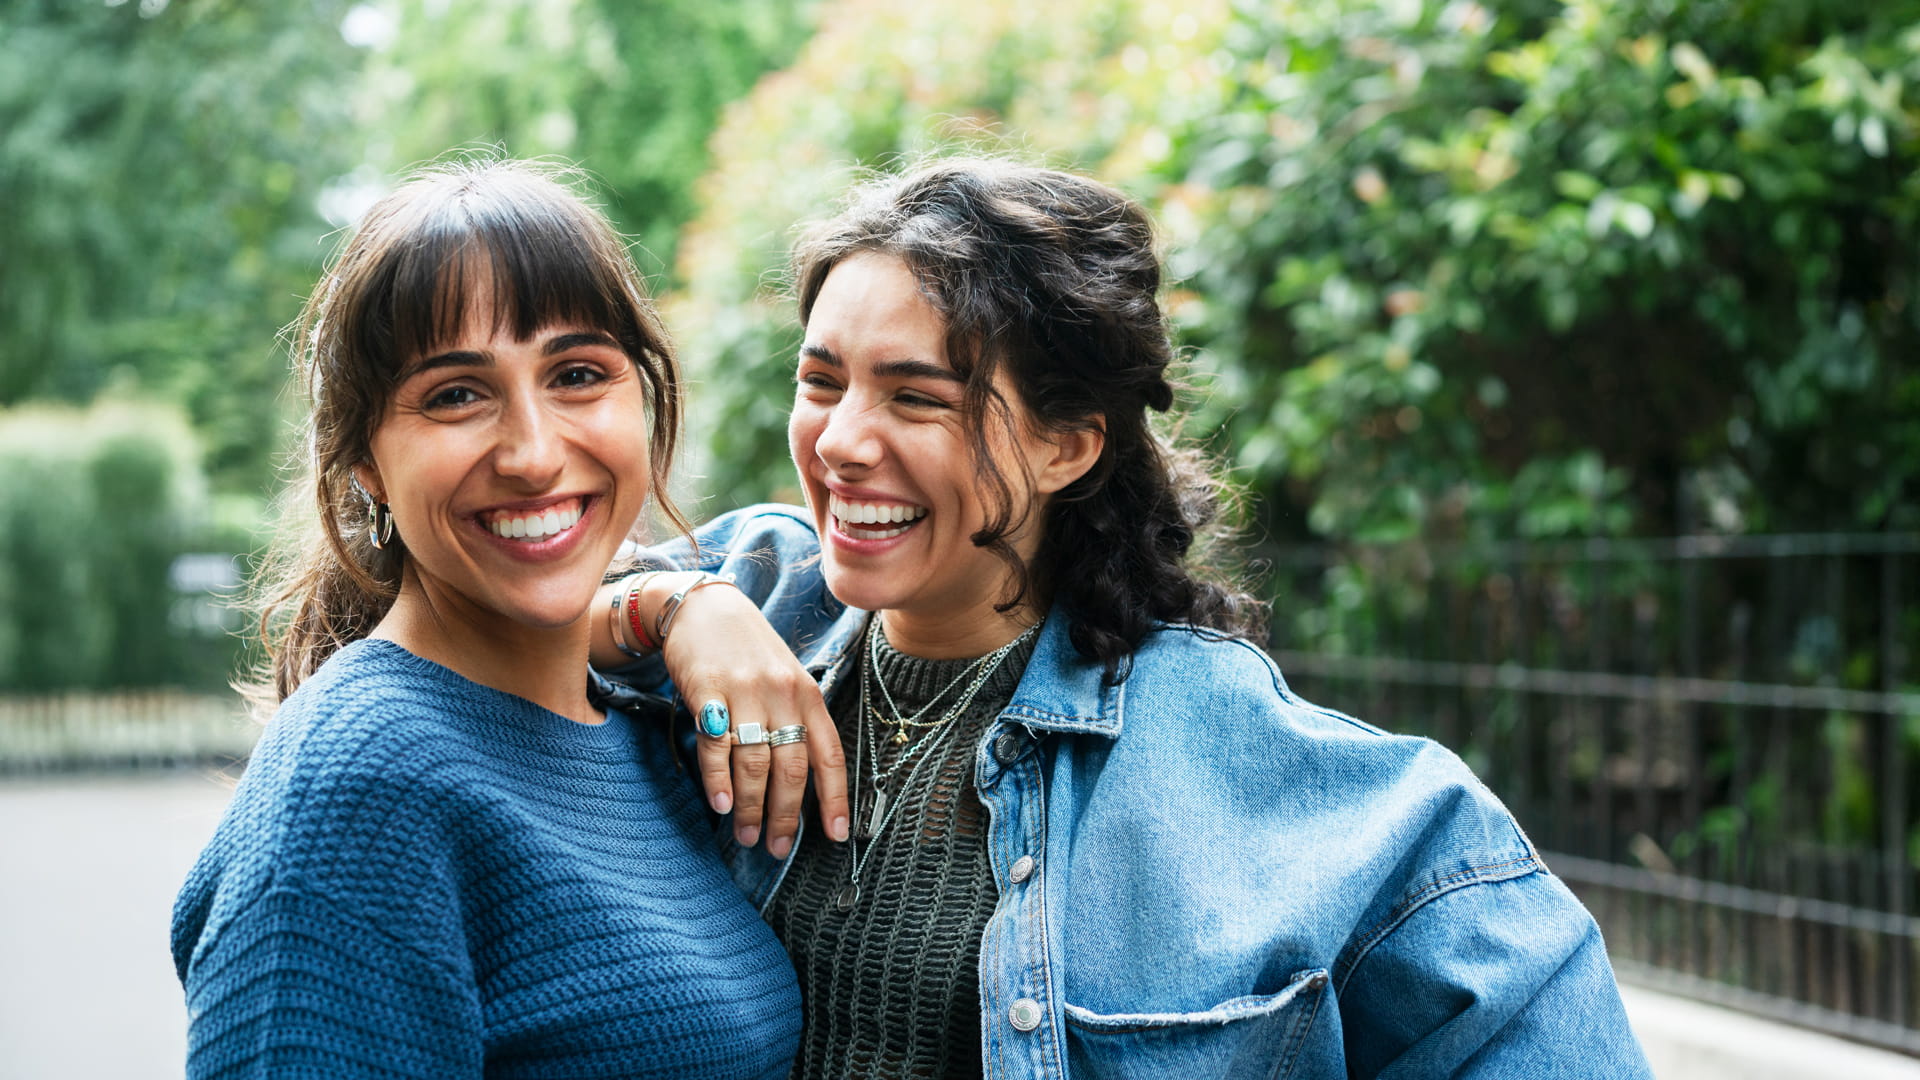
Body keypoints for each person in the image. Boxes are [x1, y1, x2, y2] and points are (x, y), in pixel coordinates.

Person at [598, 159, 1655, 1078]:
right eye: (821, 381)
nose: (838, 442)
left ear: (1067, 445)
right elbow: (511, 610)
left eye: (917, 398)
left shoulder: (1247, 766)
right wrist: (674, 606)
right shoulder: (758, 586)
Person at [170, 158, 845, 1079]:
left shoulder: (641, 724)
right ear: (365, 460)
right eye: (457, 394)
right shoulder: (354, 794)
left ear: (642, 398)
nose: (532, 452)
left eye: (577, 374)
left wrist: (682, 603)